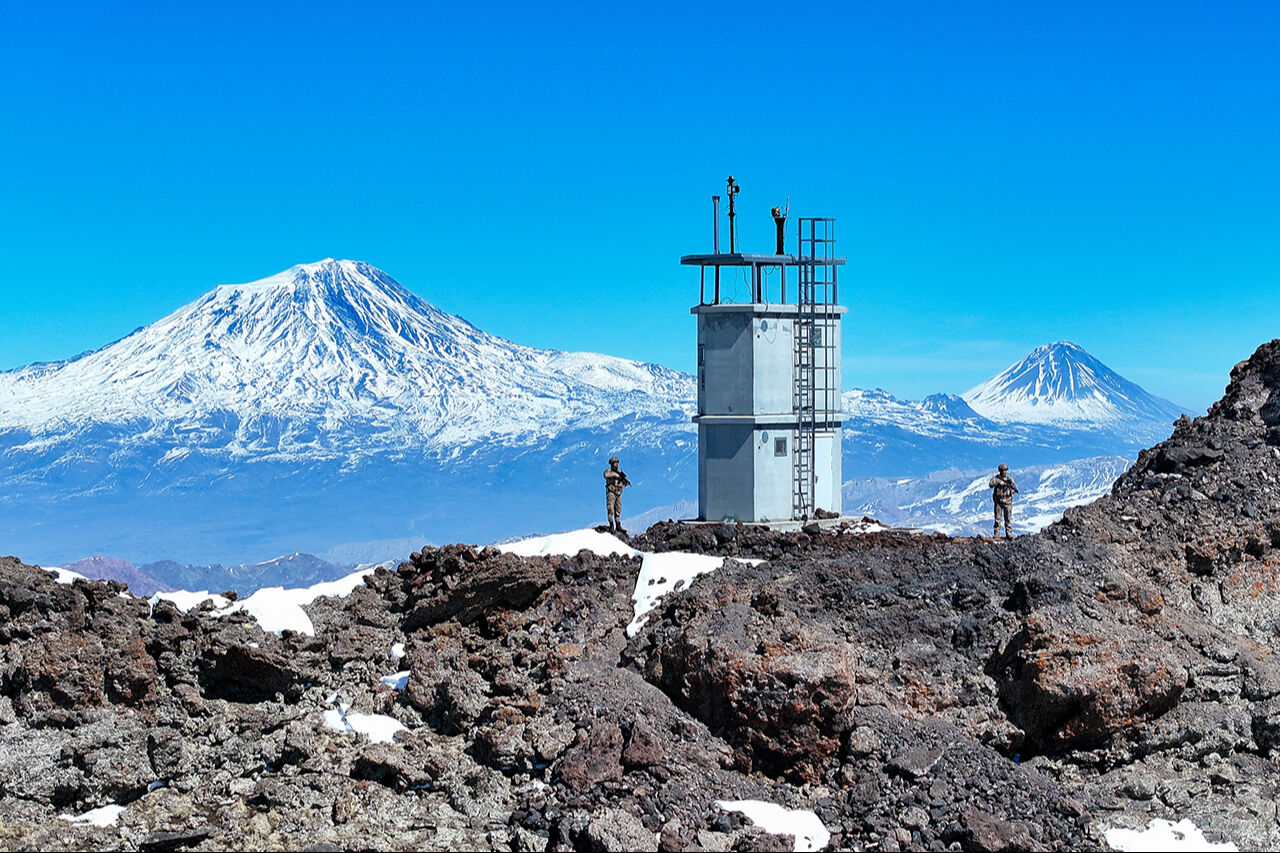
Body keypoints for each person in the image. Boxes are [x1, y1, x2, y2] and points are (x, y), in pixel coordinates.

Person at [988, 463, 1018, 539]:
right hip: (998, 501)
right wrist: (998, 483)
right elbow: (990, 484)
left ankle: (1009, 534)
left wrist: (1012, 491)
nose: (1004, 472)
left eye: (1005, 470)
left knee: (1008, 519)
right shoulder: (996, 478)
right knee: (998, 519)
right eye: (1002, 470)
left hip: (1007, 501)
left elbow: (1014, 488)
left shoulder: (1009, 479)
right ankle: (996, 535)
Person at [604, 456, 632, 533]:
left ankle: (618, 525)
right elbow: (606, 475)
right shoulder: (608, 472)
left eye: (617, 463)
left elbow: (622, 481)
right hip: (611, 492)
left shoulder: (620, 473)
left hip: (618, 493)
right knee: (610, 509)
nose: (616, 465)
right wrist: (615, 475)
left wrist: (625, 482)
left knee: (618, 509)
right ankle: (611, 525)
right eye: (614, 463)